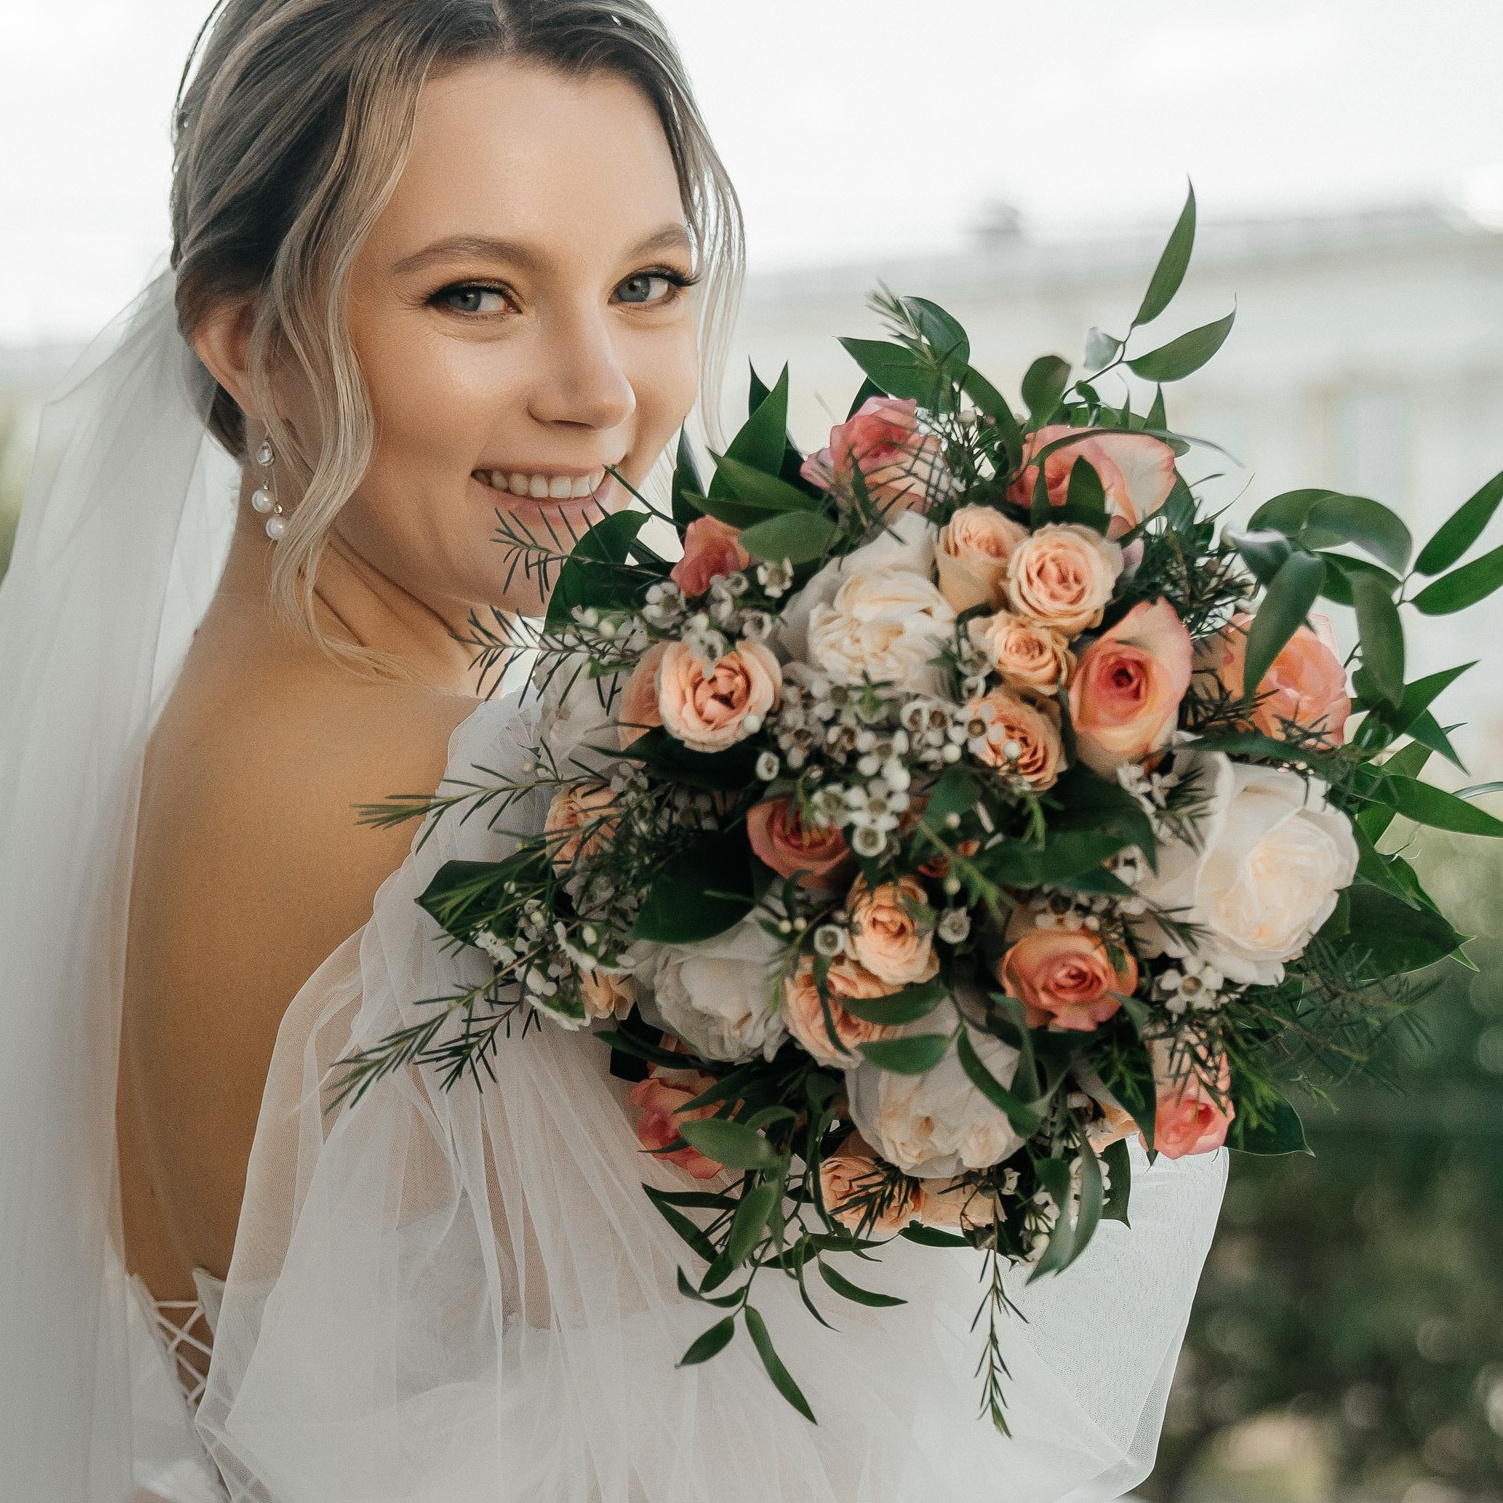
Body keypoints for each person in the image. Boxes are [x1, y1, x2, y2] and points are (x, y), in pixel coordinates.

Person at [0, 2, 1227, 1499]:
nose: (599, 392)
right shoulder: (488, 832)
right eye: (475, 295)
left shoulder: (165, 771)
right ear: (250, 340)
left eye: (647, 283)